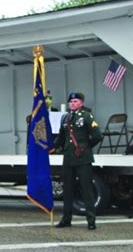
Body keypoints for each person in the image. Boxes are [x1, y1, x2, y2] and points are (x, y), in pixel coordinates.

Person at [54, 93, 102, 230]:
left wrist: (85, 147)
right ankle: (66, 219)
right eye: (71, 102)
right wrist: (50, 147)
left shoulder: (86, 116)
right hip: (68, 158)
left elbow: (97, 136)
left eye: (75, 101)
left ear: (81, 103)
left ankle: (91, 220)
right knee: (68, 190)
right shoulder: (65, 117)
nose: (72, 104)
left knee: (86, 190)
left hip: (82, 158)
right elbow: (61, 137)